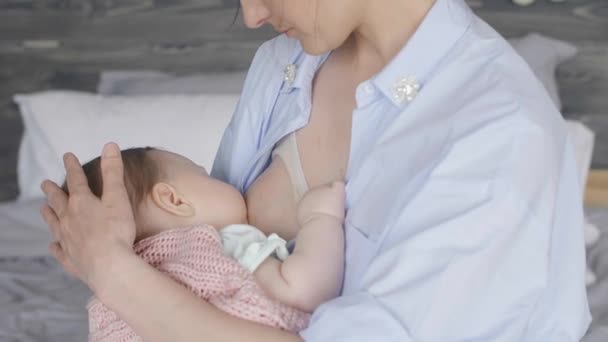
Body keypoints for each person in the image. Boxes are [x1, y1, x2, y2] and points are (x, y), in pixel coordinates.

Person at [41, 0, 591, 340]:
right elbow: (216, 263)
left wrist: (112, 272)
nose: (253, 14)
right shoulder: (284, 64)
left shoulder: (497, 133)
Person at [63, 147, 345, 340]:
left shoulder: (109, 302)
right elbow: (302, 292)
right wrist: (321, 218)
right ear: (175, 201)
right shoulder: (218, 247)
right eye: (204, 175)